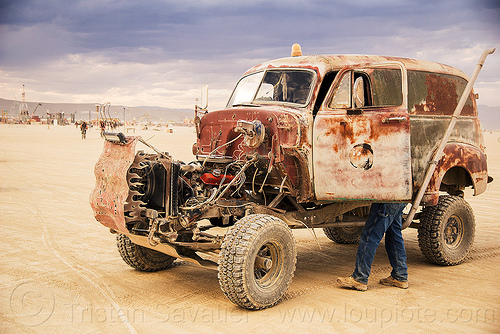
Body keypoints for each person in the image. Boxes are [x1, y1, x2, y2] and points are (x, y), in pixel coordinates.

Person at [337, 203, 408, 291]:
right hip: (400, 198)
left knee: (370, 236)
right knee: (394, 235)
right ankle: (400, 275)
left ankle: (360, 278)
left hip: (387, 199)